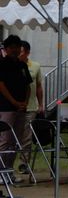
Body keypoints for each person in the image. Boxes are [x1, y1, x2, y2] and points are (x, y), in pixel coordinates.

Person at [0, 35, 32, 183]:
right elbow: (1, 86)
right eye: (11, 47)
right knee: (5, 140)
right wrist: (13, 101)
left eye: (17, 47)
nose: (15, 50)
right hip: (6, 108)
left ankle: (9, 171)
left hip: (21, 108)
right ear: (6, 49)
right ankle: (1, 171)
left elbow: (28, 86)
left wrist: (24, 102)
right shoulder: (2, 64)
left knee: (15, 141)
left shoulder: (22, 66)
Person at [17, 40, 44, 175]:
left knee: (27, 137)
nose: (18, 54)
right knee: (11, 136)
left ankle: (23, 163)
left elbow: (39, 86)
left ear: (27, 52)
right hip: (14, 106)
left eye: (21, 51)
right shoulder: (12, 65)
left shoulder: (35, 66)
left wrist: (41, 104)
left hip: (31, 106)